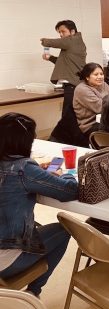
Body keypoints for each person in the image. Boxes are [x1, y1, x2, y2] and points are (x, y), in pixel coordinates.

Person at [0, 113, 78, 297]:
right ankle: (34, 292)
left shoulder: (21, 168)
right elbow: (69, 190)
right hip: (5, 259)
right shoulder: (23, 168)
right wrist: (61, 173)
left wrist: (38, 172)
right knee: (64, 230)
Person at [41, 20, 88, 147]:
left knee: (68, 117)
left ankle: (57, 142)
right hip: (72, 86)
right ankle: (65, 142)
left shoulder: (73, 40)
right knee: (70, 117)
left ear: (72, 31)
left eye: (63, 31)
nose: (61, 34)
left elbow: (53, 42)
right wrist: (50, 57)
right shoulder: (72, 44)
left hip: (73, 86)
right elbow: (64, 63)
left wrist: (44, 41)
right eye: (59, 32)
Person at [73, 63, 109, 138]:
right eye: (96, 74)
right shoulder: (82, 89)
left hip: (106, 120)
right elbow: (101, 108)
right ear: (87, 77)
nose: (100, 77)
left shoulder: (104, 84)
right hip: (90, 125)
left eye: (101, 74)